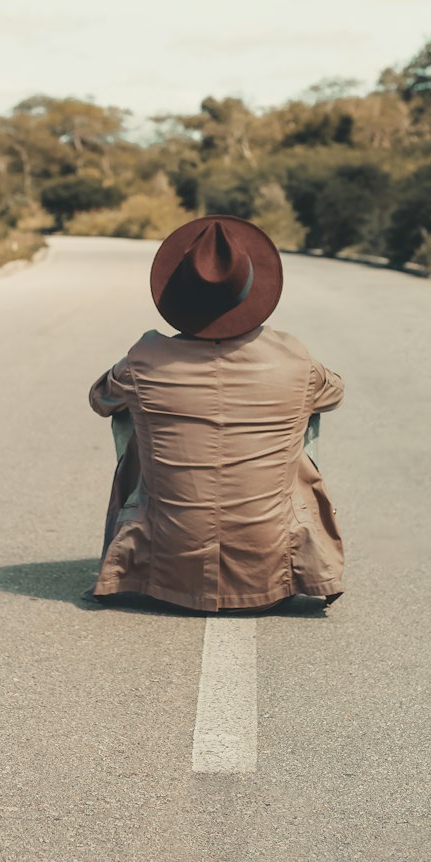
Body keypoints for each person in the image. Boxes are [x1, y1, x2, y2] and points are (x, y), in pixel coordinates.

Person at [86, 214, 345, 613]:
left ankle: (139, 539)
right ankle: (296, 542)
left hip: (169, 572)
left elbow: (100, 399)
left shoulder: (145, 358)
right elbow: (335, 391)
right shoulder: (294, 357)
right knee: (306, 413)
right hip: (268, 571)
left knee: (129, 414)